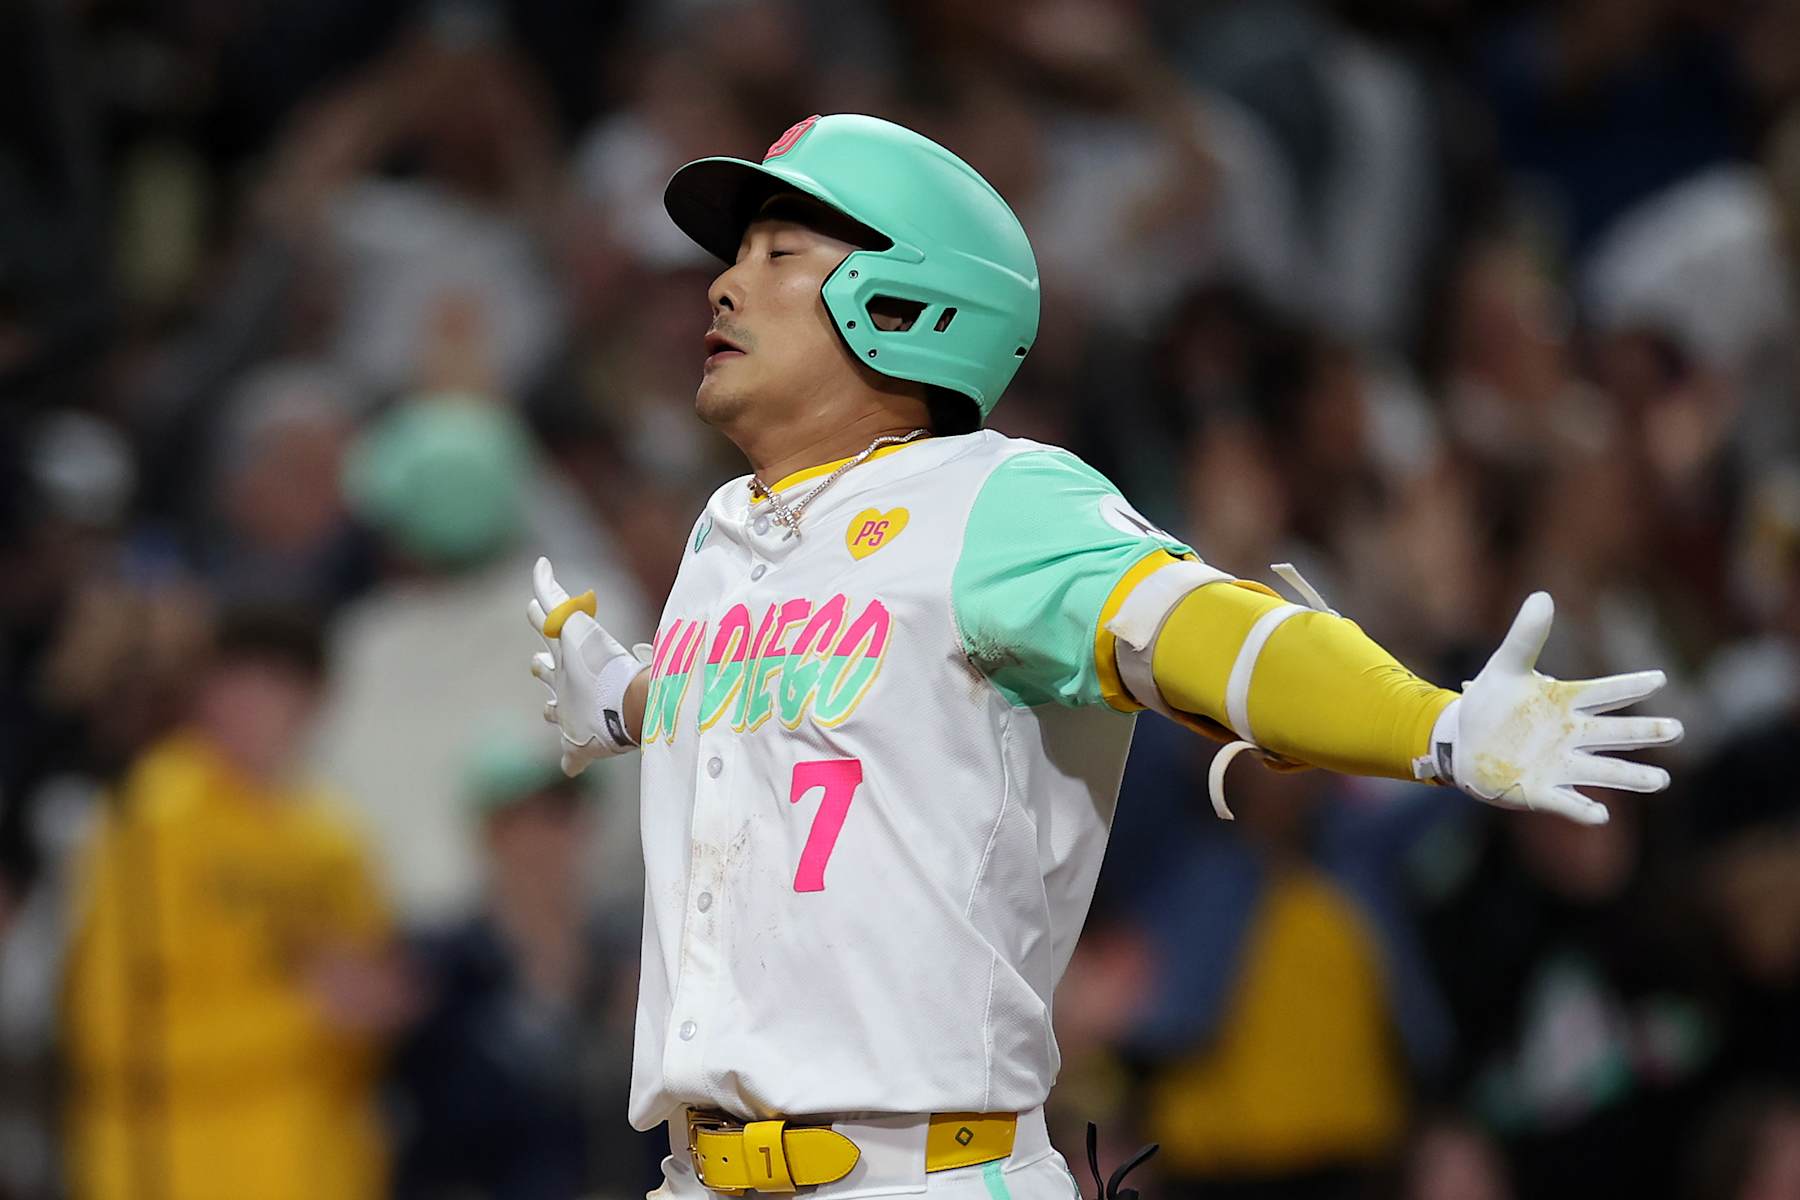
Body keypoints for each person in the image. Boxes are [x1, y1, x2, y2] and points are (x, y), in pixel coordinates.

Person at [523, 114, 1682, 1199]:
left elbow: (1215, 631)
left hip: (918, 1172)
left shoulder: (998, 499)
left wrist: (1427, 725)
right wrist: (628, 698)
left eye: (781, 252)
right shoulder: (724, 535)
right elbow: (778, 702)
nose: (724, 282)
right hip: (693, 1175)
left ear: (913, 299)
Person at [61, 606, 408, 1200]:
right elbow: (112, 1037)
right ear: (203, 697)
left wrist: (375, 1011)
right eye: (237, 687)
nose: (255, 712)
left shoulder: (338, 842)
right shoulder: (147, 822)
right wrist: (304, 1019)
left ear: (316, 703)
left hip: (321, 1170)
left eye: (279, 692)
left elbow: (366, 1028)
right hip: (180, 1172)